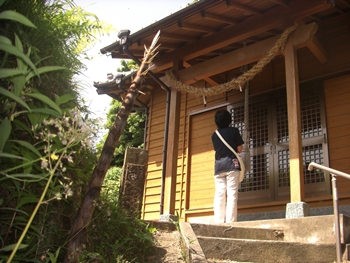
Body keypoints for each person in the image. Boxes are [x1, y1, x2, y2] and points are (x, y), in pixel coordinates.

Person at [211, 109, 244, 224]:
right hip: (231, 164)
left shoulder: (215, 135)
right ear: (229, 120)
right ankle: (230, 221)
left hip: (219, 167)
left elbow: (217, 150)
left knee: (219, 194)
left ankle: (218, 221)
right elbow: (239, 149)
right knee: (232, 193)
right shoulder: (233, 131)